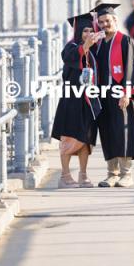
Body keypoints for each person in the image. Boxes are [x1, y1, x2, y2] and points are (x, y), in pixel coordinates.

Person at [94, 3, 134, 188]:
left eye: (107, 20)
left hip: (121, 94)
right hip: (103, 94)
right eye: (101, 22)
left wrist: (127, 93)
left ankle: (127, 174)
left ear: (115, 20)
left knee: (123, 132)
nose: (104, 24)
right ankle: (112, 174)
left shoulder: (125, 41)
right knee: (107, 132)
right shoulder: (98, 43)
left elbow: (132, 69)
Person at [51, 12, 101, 188]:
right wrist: (86, 46)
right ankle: (64, 176)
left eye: (90, 30)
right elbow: (71, 59)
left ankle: (83, 175)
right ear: (78, 31)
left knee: (85, 139)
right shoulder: (70, 47)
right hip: (72, 100)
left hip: (88, 101)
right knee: (69, 138)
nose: (88, 34)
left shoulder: (94, 50)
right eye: (84, 30)